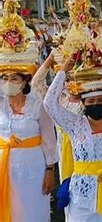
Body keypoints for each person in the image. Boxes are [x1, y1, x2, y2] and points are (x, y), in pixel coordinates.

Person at [44, 57, 102, 221]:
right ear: (84, 104)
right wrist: (63, 71)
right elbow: (49, 104)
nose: (96, 104)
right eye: (91, 101)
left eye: (100, 101)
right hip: (81, 196)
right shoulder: (75, 125)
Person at [0, 69, 58, 221]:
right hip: (5, 166)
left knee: (33, 209)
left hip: (33, 168)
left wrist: (50, 170)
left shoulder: (38, 107)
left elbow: (49, 140)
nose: (8, 83)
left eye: (14, 79)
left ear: (24, 82)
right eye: (5, 78)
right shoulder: (1, 106)